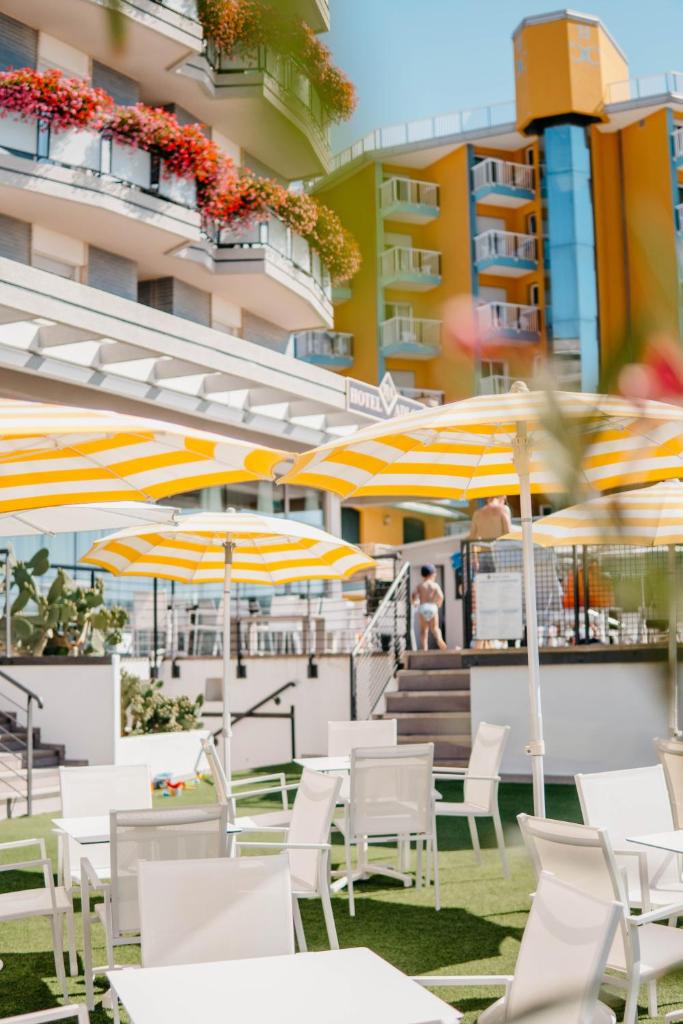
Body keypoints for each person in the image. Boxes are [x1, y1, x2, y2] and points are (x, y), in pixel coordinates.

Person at [412, 564, 447, 651]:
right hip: (432, 607)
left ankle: (424, 648)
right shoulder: (435, 585)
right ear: (432, 574)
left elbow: (414, 595)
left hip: (423, 607)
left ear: (422, 575)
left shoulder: (420, 585)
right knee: (435, 628)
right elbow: (441, 596)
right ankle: (439, 640)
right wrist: (439, 604)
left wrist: (414, 602)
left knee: (424, 630)